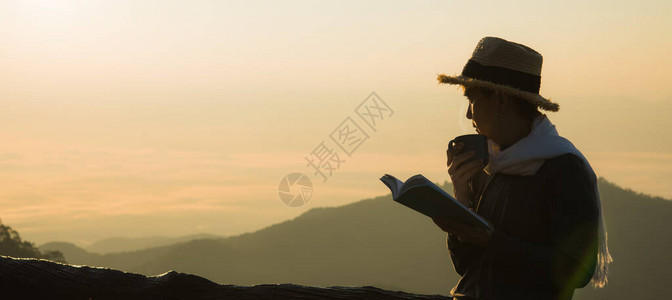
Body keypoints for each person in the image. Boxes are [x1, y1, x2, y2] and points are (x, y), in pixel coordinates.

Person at [431, 37, 613, 300]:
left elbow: (578, 270)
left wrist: (490, 240)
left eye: (472, 99)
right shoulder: (490, 166)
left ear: (502, 101)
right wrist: (461, 202)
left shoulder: (564, 168)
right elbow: (468, 268)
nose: (469, 115)